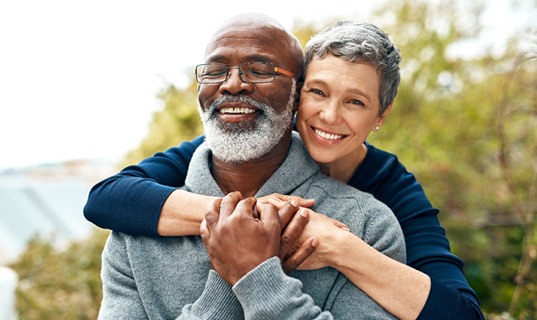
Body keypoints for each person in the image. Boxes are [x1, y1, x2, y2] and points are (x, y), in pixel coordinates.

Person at [86, 19, 485, 320]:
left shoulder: (377, 215)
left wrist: (331, 251)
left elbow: (459, 312)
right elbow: (105, 196)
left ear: (381, 115)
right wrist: (243, 228)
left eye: (356, 102)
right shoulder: (135, 230)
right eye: (319, 92)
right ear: (300, 99)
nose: (329, 115)